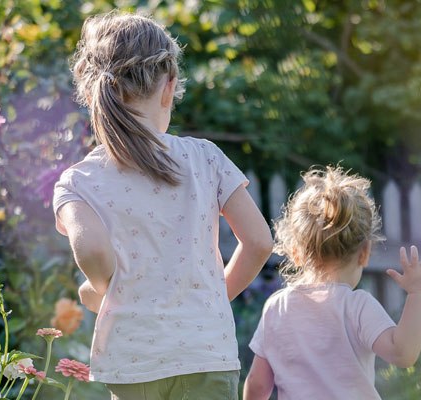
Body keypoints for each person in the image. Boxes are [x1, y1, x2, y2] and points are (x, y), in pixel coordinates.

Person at [52, 11, 273, 400]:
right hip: (207, 355)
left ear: (92, 95)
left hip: (134, 361)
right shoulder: (206, 158)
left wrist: (99, 288)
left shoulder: (79, 181)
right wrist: (215, 295)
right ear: (169, 88)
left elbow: (90, 249)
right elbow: (258, 241)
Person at [242, 166, 421, 400]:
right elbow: (403, 354)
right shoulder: (357, 306)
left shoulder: (277, 307)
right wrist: (418, 294)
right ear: (364, 252)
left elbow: (257, 385)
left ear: (295, 253)